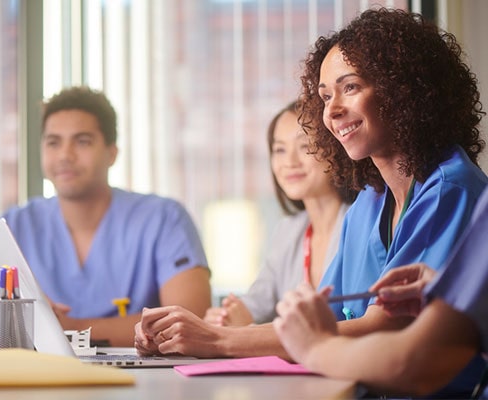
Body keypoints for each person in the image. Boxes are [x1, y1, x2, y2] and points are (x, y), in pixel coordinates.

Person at [134, 9, 487, 395]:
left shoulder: (448, 189)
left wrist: (217, 342)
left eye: (350, 87)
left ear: (402, 88)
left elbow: (381, 327)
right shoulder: (368, 204)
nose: (331, 111)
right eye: (324, 96)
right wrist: (199, 336)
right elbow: (326, 320)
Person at [0, 86, 212, 346]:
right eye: (53, 142)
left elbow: (189, 319)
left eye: (82, 141)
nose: (65, 155)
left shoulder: (164, 219)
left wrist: (69, 329)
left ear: (112, 153)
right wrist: (26, 324)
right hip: (40, 381)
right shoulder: (17, 225)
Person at [273, 186, 488, 399]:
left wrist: (317, 348)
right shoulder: (366, 202)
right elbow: (322, 317)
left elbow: (412, 364)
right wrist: (456, 292)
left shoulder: (451, 191)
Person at [204, 101, 354, 327]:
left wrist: (246, 325)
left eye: (305, 146)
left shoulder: (361, 223)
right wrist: (225, 317)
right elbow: (255, 305)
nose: (289, 162)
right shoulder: (289, 230)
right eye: (280, 150)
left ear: (335, 150)